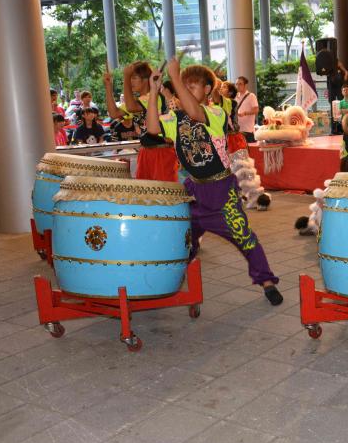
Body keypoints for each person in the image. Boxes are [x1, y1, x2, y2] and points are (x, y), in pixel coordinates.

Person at [145, 58, 283, 306]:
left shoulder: (215, 113)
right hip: (193, 193)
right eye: (184, 87)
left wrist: (175, 78)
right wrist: (154, 92)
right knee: (181, 240)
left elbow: (195, 113)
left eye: (192, 87)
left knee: (244, 236)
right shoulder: (175, 119)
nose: (186, 91)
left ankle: (266, 281)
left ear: (208, 90)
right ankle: (167, 280)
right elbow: (153, 129)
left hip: (222, 192)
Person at [105, 61, 177, 181]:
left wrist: (126, 77)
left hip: (161, 151)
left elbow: (131, 107)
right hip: (146, 151)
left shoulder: (155, 97)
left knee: (163, 191)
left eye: (134, 78)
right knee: (146, 191)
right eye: (130, 78)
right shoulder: (139, 101)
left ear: (146, 80)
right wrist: (108, 87)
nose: (130, 81)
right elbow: (114, 113)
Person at [234, 76, 259, 143]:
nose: (237, 86)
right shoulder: (235, 96)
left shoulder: (251, 96)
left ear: (245, 85)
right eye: (236, 84)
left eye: (240, 84)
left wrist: (245, 113)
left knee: (249, 149)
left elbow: (256, 110)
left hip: (247, 131)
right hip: (237, 130)